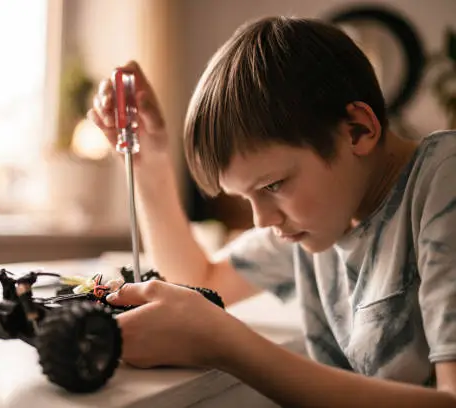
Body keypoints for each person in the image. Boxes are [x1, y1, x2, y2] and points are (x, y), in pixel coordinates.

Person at [87, 16, 456, 407]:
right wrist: (150, 163)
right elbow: (197, 281)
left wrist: (227, 346)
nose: (262, 220)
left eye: (273, 185)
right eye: (246, 197)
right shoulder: (325, 215)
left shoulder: (443, 182)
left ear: (357, 131)